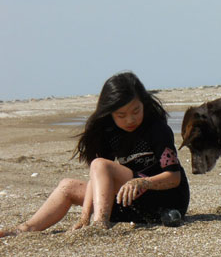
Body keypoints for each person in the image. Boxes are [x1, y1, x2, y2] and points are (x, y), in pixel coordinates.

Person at [0, 72, 189, 237]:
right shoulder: (109, 133)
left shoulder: (157, 129)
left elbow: (174, 178)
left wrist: (141, 182)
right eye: (121, 115)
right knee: (67, 186)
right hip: (131, 202)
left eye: (135, 111)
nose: (130, 120)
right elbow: (98, 176)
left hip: (166, 199)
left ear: (143, 104)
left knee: (100, 164)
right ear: (110, 113)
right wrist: (84, 216)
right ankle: (25, 229)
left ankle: (100, 225)